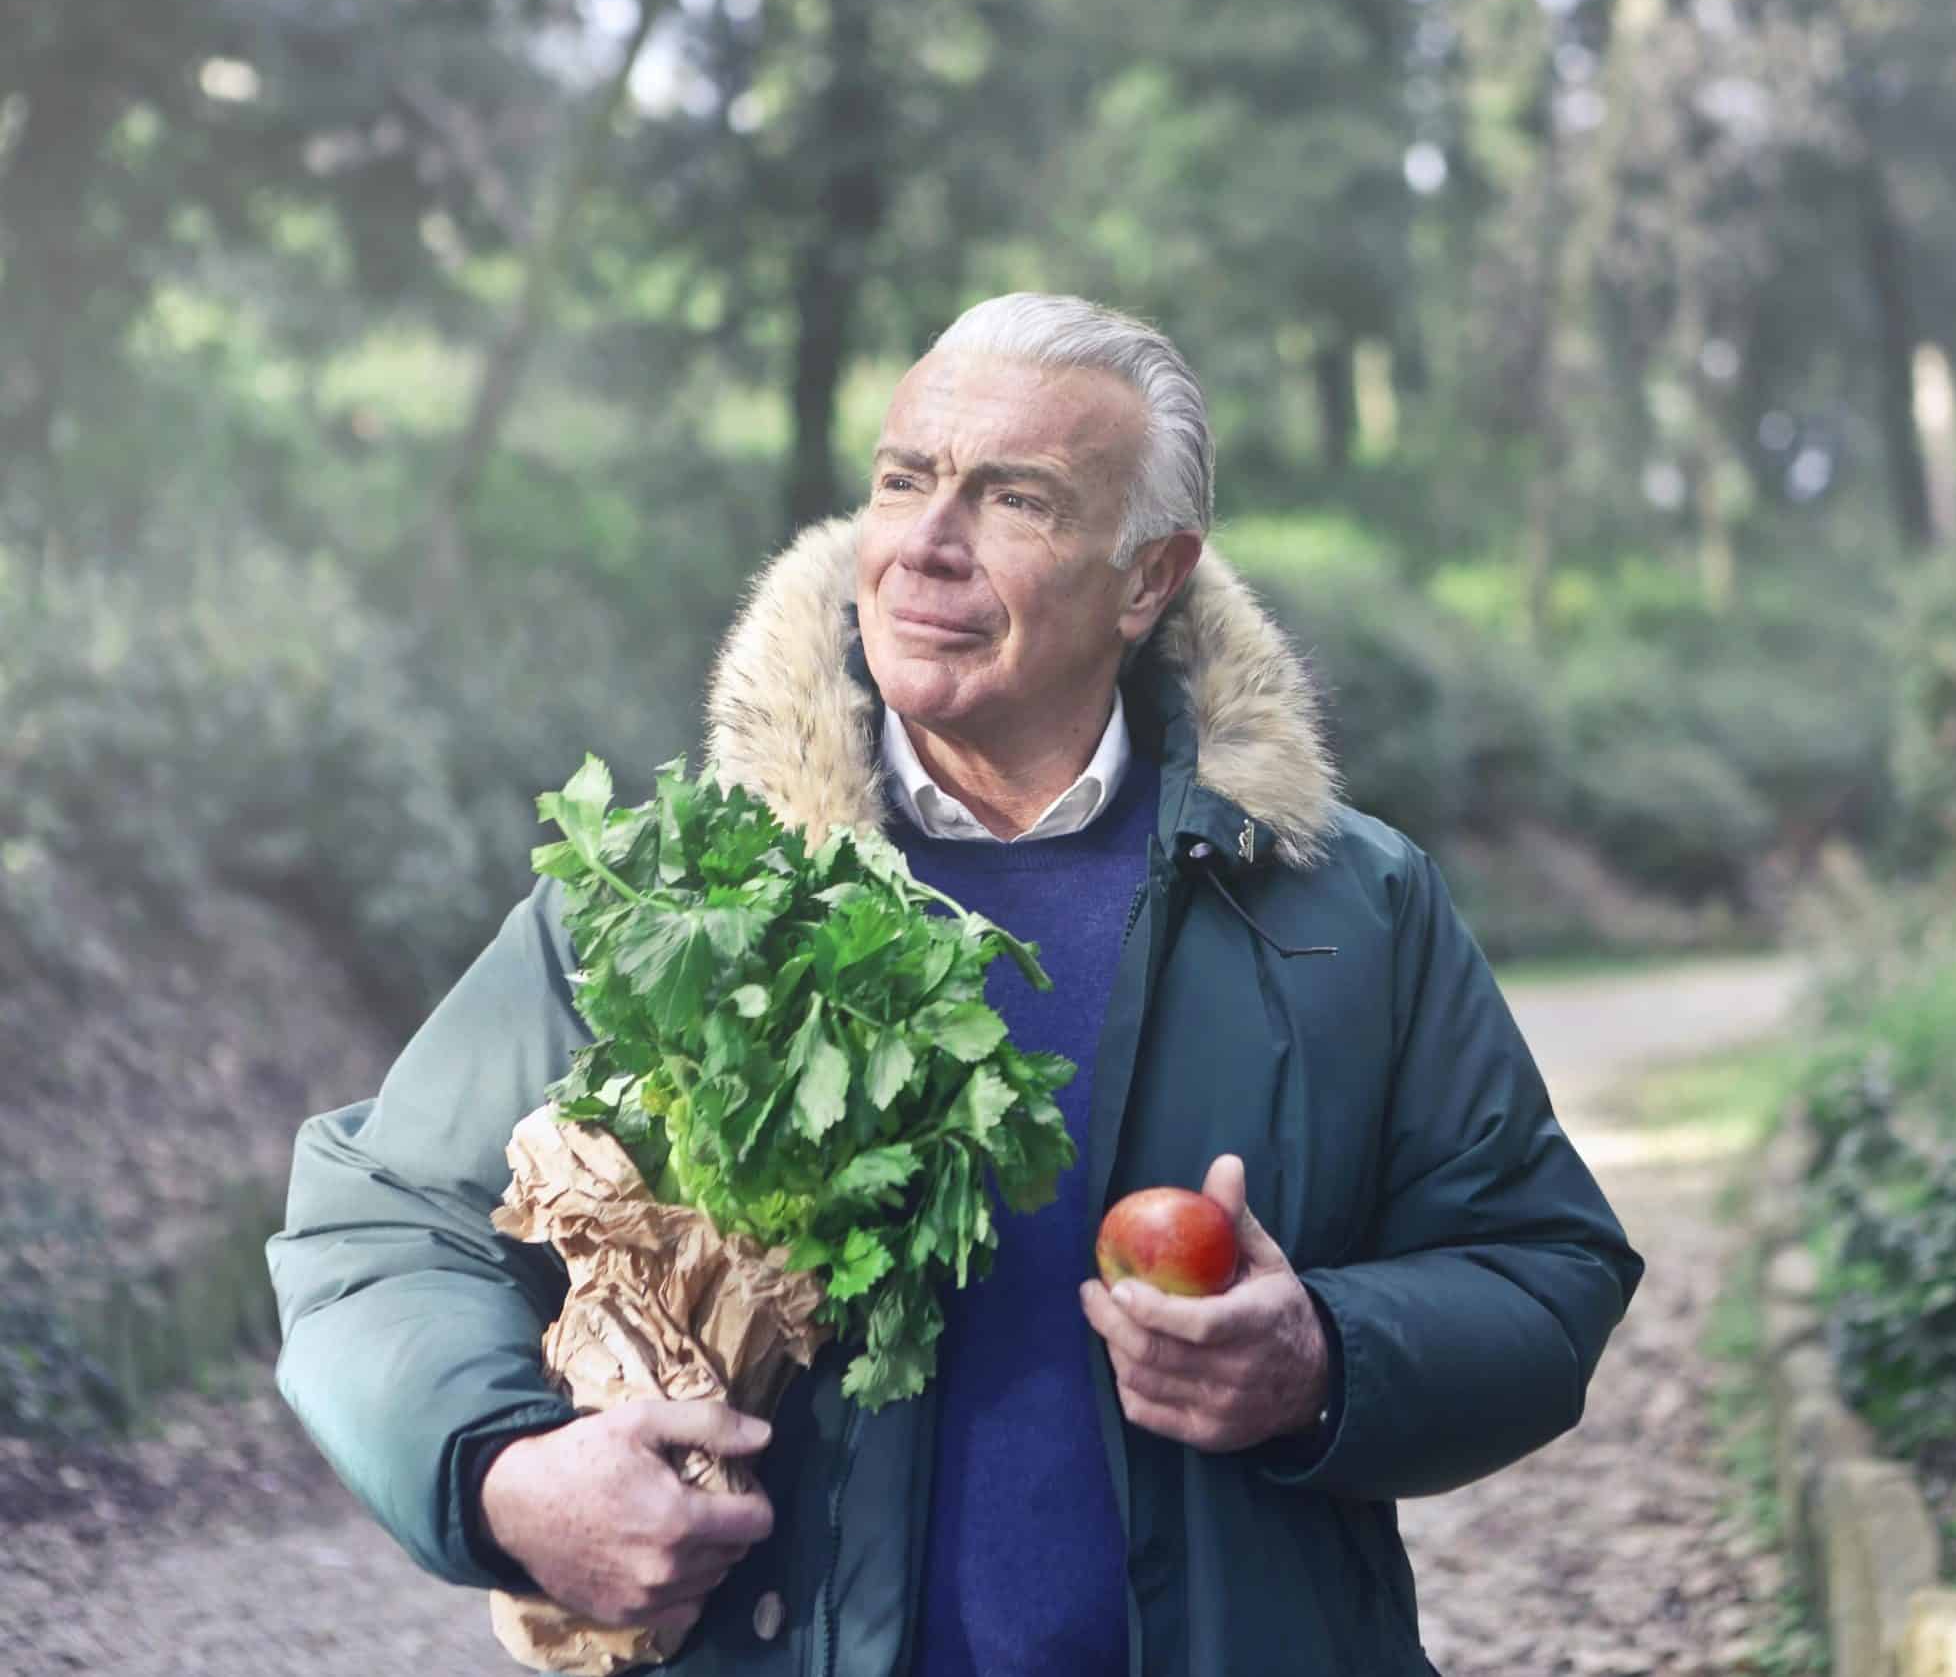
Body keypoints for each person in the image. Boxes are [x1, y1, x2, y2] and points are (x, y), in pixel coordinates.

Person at [268, 292, 1643, 1676]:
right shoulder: (674, 894)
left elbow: (1545, 1271)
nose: (924, 543)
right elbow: (379, 1227)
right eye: (903, 479)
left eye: (1014, 499)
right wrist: (507, 1474)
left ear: (1149, 576)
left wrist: (1327, 1360)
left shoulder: (1345, 905)